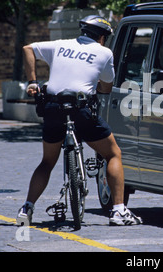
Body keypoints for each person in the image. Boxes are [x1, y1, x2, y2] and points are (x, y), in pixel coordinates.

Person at [17, 15, 142, 226]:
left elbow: (28, 48)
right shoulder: (104, 53)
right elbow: (106, 87)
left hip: (53, 108)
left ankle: (26, 208)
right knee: (113, 154)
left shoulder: (61, 45)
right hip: (81, 110)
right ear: (102, 37)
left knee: (47, 162)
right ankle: (119, 211)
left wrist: (33, 82)